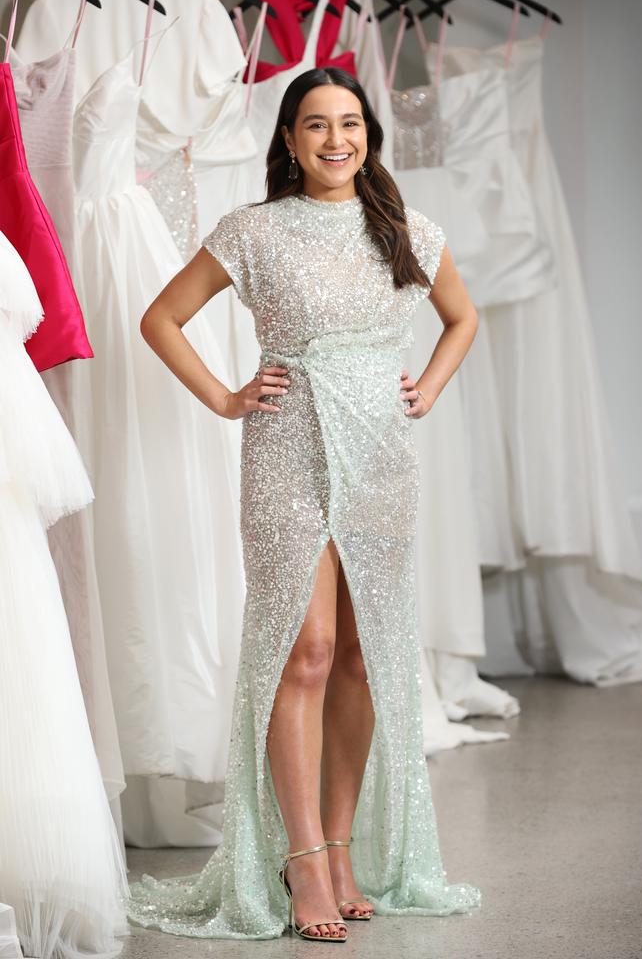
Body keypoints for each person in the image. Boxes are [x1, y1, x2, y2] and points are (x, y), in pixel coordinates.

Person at [127, 66, 480, 944]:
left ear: (370, 136)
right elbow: (162, 316)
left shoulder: (405, 229)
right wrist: (223, 396)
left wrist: (427, 390)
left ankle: (343, 842)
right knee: (307, 649)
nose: (335, 140)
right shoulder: (252, 232)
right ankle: (301, 860)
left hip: (380, 456)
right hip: (287, 449)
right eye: (315, 125)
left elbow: (462, 319)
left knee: (361, 655)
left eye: (351, 124)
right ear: (288, 140)